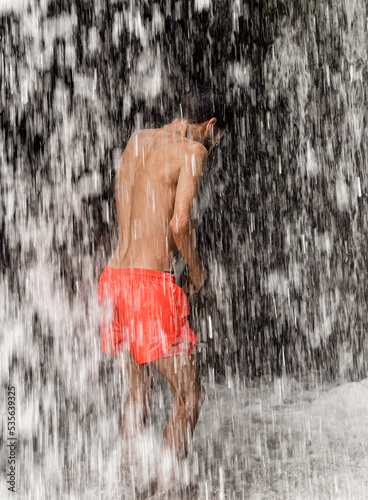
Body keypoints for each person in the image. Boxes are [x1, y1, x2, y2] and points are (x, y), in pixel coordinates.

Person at [97, 86, 229, 495]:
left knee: (138, 394)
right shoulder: (194, 153)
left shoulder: (139, 141)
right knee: (190, 397)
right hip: (149, 288)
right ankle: (165, 493)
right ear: (210, 126)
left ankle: (122, 486)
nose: (216, 145)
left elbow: (128, 211)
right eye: (219, 137)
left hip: (116, 280)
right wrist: (197, 272)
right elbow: (179, 224)